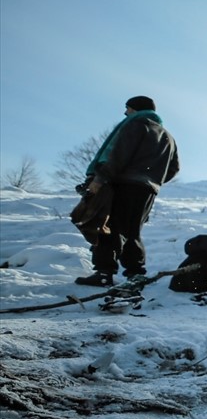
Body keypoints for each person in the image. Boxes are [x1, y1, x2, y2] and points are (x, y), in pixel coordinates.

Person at [74, 96, 180, 287]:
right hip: (147, 190)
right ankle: (135, 273)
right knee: (132, 231)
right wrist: (152, 180)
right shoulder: (168, 137)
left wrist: (100, 179)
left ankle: (104, 273)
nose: (125, 113)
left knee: (108, 226)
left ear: (136, 109)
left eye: (128, 108)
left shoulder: (136, 125)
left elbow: (119, 155)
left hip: (121, 183)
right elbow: (173, 169)